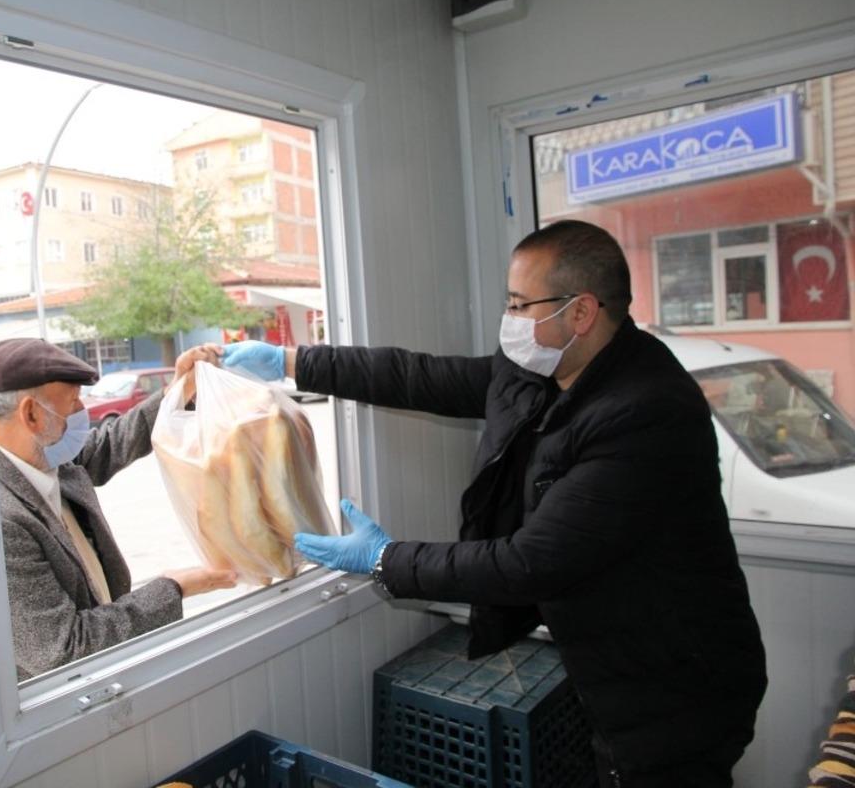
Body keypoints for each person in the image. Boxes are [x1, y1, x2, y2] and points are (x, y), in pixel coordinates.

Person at [223, 220, 767, 787]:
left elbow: (527, 563)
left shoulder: (645, 411)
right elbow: (421, 377)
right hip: (610, 657)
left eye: (518, 304)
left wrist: (386, 558)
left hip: (675, 685)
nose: (509, 320)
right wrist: (294, 363)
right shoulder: (549, 365)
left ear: (580, 312)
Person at [0, 338, 236, 679]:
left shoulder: (49, 459)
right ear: (30, 413)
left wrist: (179, 389)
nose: (82, 412)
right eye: (73, 401)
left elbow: (113, 441)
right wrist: (174, 588)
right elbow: (65, 650)